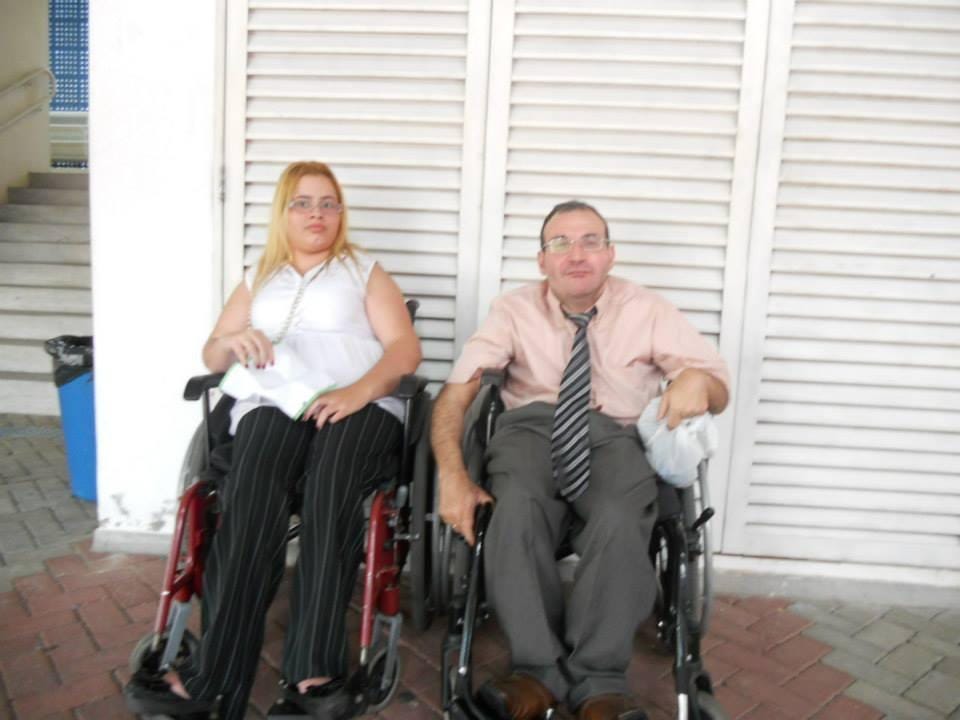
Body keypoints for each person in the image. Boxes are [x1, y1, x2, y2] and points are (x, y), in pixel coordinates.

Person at [125, 161, 422, 719]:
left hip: (356, 404)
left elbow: (404, 350)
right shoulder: (258, 277)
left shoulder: (363, 271)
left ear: (340, 212)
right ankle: (214, 676)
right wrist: (233, 340)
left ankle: (314, 671)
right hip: (276, 399)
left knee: (332, 487)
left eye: (328, 203)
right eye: (303, 203)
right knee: (250, 495)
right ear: (282, 212)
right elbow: (213, 354)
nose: (317, 214)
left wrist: (358, 392)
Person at [431, 200, 729, 720]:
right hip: (531, 430)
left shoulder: (647, 309)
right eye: (561, 243)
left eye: (591, 241)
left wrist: (697, 382)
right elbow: (457, 394)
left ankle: (600, 679)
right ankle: (535, 672)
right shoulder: (513, 310)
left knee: (620, 517)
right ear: (542, 259)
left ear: (610, 254)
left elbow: (718, 388)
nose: (576, 254)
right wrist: (452, 476)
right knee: (515, 511)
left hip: (616, 437)